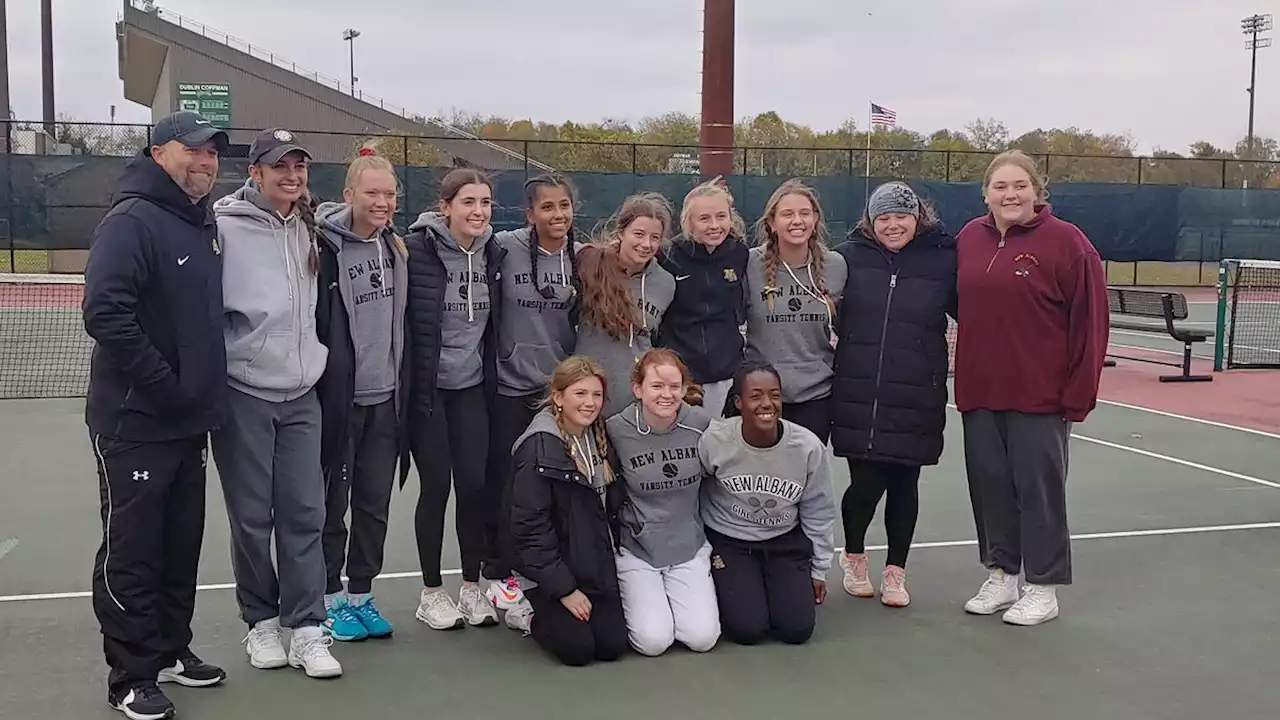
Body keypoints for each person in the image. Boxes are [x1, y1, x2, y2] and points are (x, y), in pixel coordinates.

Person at [83, 110, 230, 720]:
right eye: (193, 151)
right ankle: (131, 676)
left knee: (179, 543)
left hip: (186, 423)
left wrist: (190, 396)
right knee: (134, 549)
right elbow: (105, 314)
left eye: (213, 153)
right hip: (134, 424)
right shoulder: (131, 221)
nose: (206, 162)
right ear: (160, 152)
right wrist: (166, 385)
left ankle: (170, 651)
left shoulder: (200, 220)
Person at [954, 150, 1109, 626]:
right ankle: (1002, 575)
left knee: (1039, 492)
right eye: (1000, 186)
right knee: (990, 487)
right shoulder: (968, 239)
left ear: (1037, 192)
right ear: (986, 194)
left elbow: (1091, 324)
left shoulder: (1068, 243)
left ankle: (1043, 587)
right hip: (979, 392)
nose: (1010, 194)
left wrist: (1078, 393)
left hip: (1039, 396)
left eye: (1020, 185)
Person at [211, 128, 341, 678]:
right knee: (251, 517)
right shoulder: (221, 228)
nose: (291, 176)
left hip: (302, 394)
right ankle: (260, 623)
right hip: (243, 394)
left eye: (299, 167)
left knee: (305, 513)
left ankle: (307, 628)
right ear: (255, 173)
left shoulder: (311, 227)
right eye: (279, 166)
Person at [830, 181, 957, 608]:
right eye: (883, 217)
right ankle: (853, 557)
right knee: (865, 484)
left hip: (918, 388)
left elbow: (976, 305)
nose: (892, 225)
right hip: (858, 389)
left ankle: (896, 571)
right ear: (870, 220)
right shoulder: (848, 257)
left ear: (917, 217)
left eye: (900, 215)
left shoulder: (943, 257)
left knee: (905, 481)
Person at [402, 168, 505, 630]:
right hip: (428, 392)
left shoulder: (495, 254)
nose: (478, 211)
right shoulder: (415, 250)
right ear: (446, 207)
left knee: (474, 487)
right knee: (436, 489)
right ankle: (430, 593)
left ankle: (470, 586)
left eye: (485, 203)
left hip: (472, 389)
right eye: (468, 202)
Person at [313, 146, 408, 642]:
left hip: (386, 402)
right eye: (372, 192)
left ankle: (360, 595)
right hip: (340, 403)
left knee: (374, 504)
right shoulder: (323, 247)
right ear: (349, 194)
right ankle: (329, 598)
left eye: (389, 193)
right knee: (333, 504)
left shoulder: (396, 247)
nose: (383, 202)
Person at [483, 173, 582, 632]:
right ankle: (499, 575)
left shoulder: (583, 259)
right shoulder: (503, 246)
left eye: (564, 206)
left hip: (557, 396)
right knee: (506, 487)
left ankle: (547, 574)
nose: (557, 215)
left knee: (554, 491)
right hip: (509, 387)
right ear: (529, 214)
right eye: (548, 207)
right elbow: (457, 229)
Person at [697, 360, 837, 646]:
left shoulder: (808, 447)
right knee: (747, 629)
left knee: (796, 630)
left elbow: (818, 510)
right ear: (738, 402)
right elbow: (693, 492)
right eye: (756, 396)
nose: (767, 404)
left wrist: (819, 569)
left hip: (783, 541)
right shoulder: (715, 441)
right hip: (730, 541)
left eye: (774, 395)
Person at [509, 355, 629, 667]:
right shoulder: (538, 447)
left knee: (612, 645)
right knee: (577, 649)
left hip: (592, 564)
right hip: (550, 572)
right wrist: (565, 590)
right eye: (580, 394)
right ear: (558, 397)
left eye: (596, 395)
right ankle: (528, 613)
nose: (590, 403)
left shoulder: (599, 437)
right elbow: (530, 530)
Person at [605, 348, 720, 656]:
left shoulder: (701, 424)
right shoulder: (615, 429)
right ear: (637, 388)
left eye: (674, 387)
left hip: (688, 545)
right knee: (653, 642)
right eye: (656, 386)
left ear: (685, 389)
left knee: (702, 638)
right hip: (638, 550)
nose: (666, 395)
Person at [744, 179, 847, 444]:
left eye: (804, 213)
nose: (797, 221)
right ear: (772, 223)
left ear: (815, 220)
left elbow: (848, 327)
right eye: (787, 214)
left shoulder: (836, 266)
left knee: (806, 481)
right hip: (762, 396)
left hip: (816, 397)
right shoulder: (748, 264)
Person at [574, 193, 677, 420]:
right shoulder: (589, 263)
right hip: (588, 394)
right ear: (621, 232)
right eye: (638, 234)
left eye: (655, 237)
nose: (646, 244)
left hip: (634, 400)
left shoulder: (665, 283)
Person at [657, 177, 749, 417]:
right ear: (688, 222)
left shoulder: (739, 252)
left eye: (721, 216)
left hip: (727, 371)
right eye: (704, 218)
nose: (714, 225)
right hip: (683, 375)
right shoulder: (668, 255)